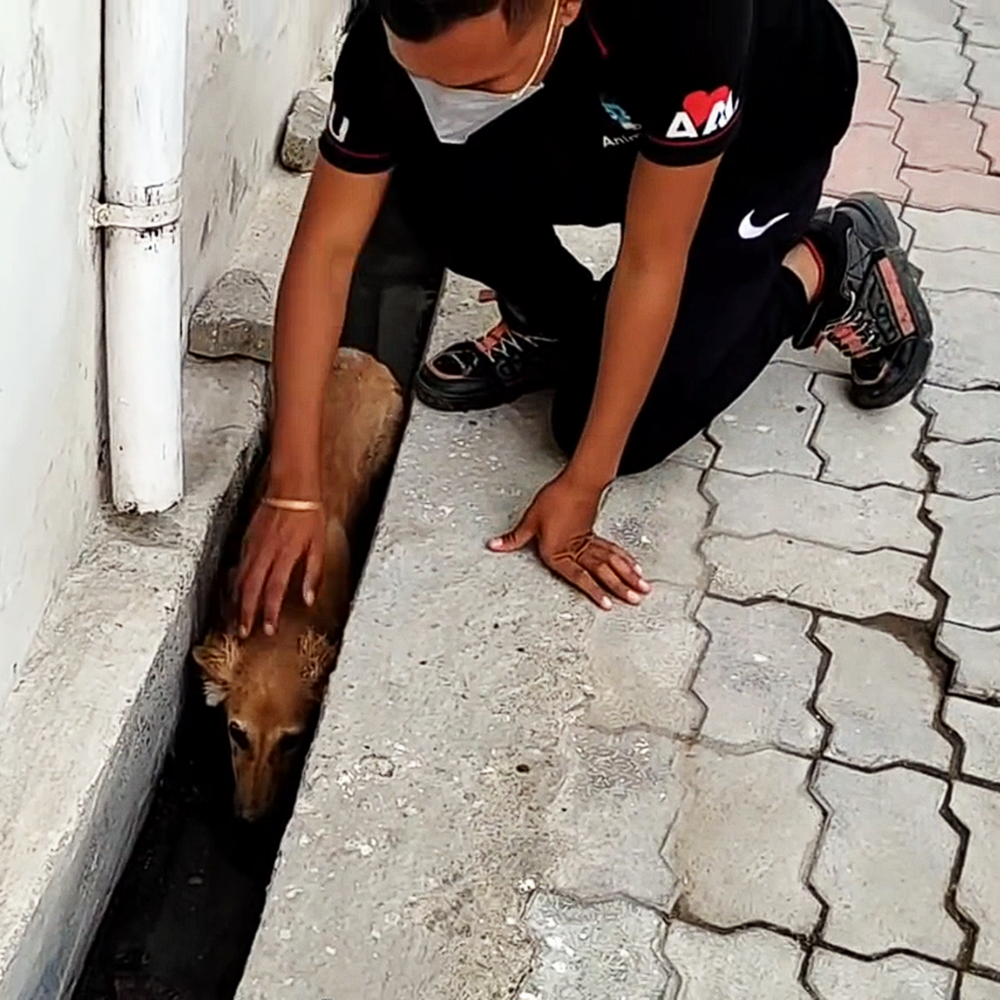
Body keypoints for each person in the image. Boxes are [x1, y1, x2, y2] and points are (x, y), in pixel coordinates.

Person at [236, 0, 933, 636]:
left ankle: (828, 262)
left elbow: (651, 261)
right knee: (417, 175)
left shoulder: (691, 18)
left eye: (480, 82)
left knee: (622, 426)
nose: (448, 103)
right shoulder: (395, 29)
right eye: (429, 80)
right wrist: (292, 490)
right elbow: (327, 250)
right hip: (600, 109)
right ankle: (557, 321)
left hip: (761, 127)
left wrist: (585, 483)